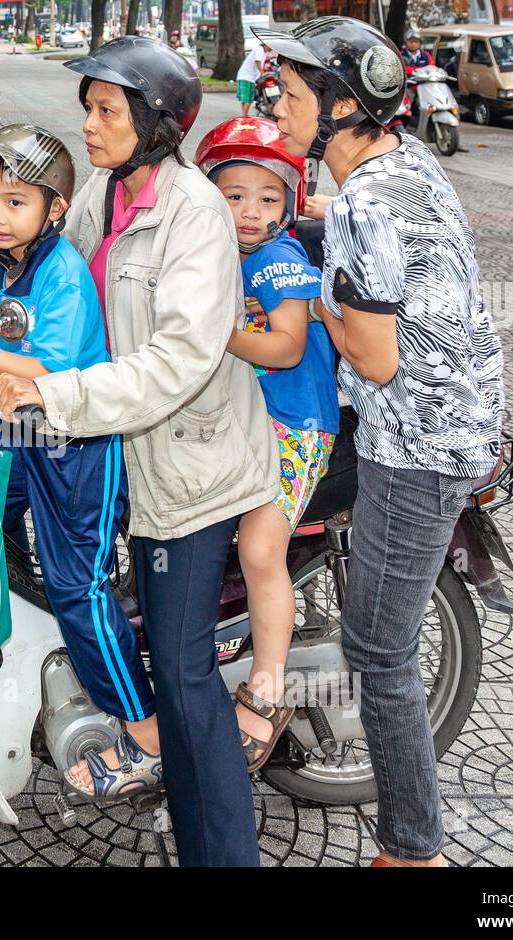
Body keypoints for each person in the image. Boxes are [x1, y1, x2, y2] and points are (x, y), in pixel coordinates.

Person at [0, 36, 277, 867]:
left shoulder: (194, 213)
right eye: (88, 107)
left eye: (107, 111)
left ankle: (221, 852)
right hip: (110, 442)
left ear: (154, 123)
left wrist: (51, 391)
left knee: (182, 678)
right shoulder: (107, 195)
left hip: (187, 465)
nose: (89, 124)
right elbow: (36, 262)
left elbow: (179, 361)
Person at [256, 16, 505, 866]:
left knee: (380, 653)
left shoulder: (365, 202)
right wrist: (335, 226)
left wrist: (310, 298)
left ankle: (413, 848)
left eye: (291, 97)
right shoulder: (405, 166)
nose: (278, 108)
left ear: (337, 107)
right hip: (458, 417)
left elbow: (372, 354)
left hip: (416, 445)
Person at [0, 126, 160, 773]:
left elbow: (46, 369)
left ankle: (147, 733)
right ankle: (23, 633)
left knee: (79, 586)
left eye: (15, 202)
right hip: (29, 437)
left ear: (54, 209)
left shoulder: (64, 273)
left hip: (80, 450)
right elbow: (5, 324)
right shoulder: (7, 262)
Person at [193, 117, 339, 772]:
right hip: (245, 417)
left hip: (296, 427)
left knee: (259, 548)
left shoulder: (281, 262)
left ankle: (268, 686)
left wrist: (219, 333)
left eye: (268, 198)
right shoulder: (221, 255)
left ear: (288, 203)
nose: (251, 211)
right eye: (234, 195)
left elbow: (285, 346)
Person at [236, 43, 268, 117]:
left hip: (247, 76)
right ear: (266, 45)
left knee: (245, 98)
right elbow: (258, 62)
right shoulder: (259, 49)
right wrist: (262, 73)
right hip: (247, 76)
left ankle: (244, 114)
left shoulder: (264, 51)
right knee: (248, 98)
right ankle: (244, 115)